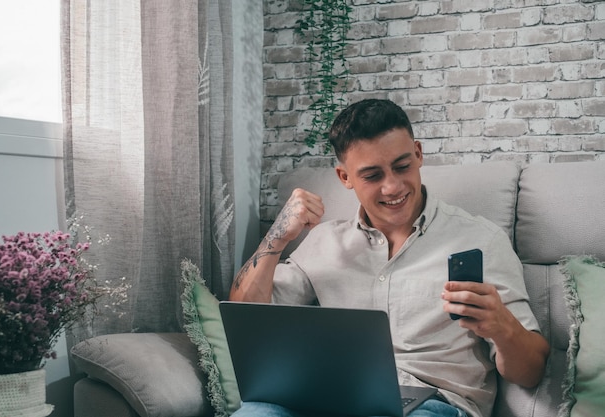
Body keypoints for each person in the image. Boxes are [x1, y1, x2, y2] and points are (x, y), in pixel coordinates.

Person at [229, 99, 549, 417]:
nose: (393, 186)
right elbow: (243, 314)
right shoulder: (324, 241)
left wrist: (503, 328)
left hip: (431, 405)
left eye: (402, 166)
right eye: (372, 175)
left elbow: (530, 372)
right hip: (327, 396)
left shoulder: (481, 240)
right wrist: (278, 236)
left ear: (418, 154)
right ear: (345, 177)